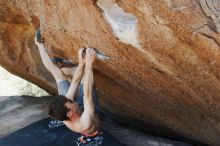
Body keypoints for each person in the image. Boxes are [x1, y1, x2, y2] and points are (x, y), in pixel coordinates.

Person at [34, 36, 101, 138]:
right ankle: (69, 69)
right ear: (69, 113)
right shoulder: (85, 124)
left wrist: (81, 62)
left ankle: (39, 44)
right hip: (90, 113)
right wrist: (89, 63)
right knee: (86, 78)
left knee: (58, 75)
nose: (70, 99)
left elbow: (74, 82)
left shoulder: (65, 106)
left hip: (78, 110)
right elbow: (87, 95)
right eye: (69, 102)